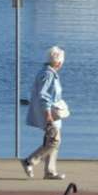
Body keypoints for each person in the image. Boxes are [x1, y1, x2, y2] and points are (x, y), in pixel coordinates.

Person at [21, 46, 67, 180]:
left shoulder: (49, 73)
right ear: (58, 62)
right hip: (49, 114)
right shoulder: (47, 75)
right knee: (54, 141)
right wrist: (48, 116)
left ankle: (50, 172)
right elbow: (44, 96)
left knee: (52, 141)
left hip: (54, 114)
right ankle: (29, 161)